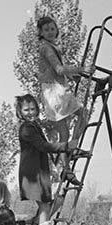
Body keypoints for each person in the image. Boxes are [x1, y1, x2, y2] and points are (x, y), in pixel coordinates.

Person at [37, 15, 93, 186]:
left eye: (52, 29)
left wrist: (72, 76)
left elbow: (54, 71)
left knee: (66, 131)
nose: (50, 32)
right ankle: (72, 150)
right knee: (81, 115)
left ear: (56, 30)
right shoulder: (46, 48)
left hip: (54, 89)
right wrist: (82, 69)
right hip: (55, 92)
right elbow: (59, 69)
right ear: (41, 32)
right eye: (46, 30)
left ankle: (67, 166)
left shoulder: (51, 47)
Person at [16, 93, 67, 225]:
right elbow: (43, 146)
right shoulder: (26, 128)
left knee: (58, 199)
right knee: (44, 205)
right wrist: (64, 146)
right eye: (26, 110)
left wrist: (53, 168)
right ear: (20, 112)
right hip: (33, 175)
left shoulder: (34, 126)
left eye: (33, 109)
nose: (30, 113)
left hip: (41, 171)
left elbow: (44, 148)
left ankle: (36, 222)